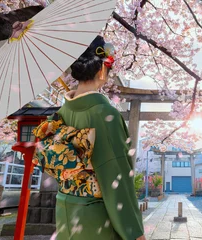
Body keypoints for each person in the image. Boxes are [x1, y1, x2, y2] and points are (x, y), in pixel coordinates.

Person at [47, 35, 145, 240]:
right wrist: (134, 233)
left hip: (66, 215)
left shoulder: (59, 114)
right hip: (98, 222)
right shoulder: (103, 114)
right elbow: (116, 179)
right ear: (102, 70)